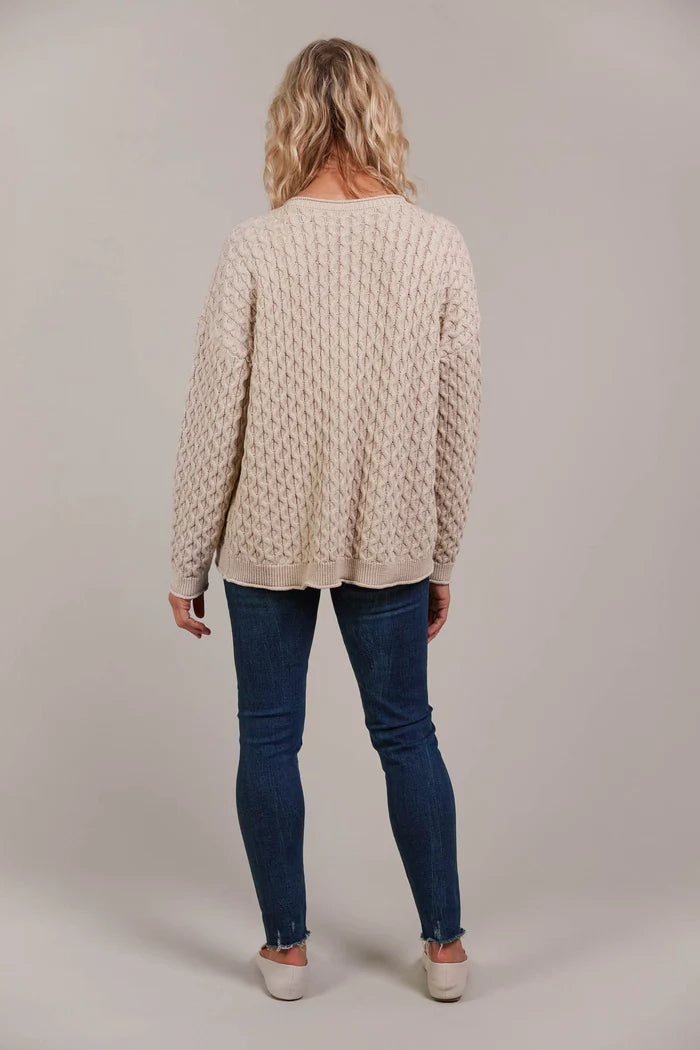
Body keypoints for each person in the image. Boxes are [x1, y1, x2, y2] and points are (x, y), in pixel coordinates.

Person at [168, 37, 482, 1002]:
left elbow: (214, 411)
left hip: (266, 536)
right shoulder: (437, 243)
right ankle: (445, 952)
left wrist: (186, 560)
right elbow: (458, 416)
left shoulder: (256, 246)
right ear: (379, 115)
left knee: (268, 738)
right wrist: (440, 555)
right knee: (408, 734)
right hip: (391, 534)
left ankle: (288, 953)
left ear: (292, 122)